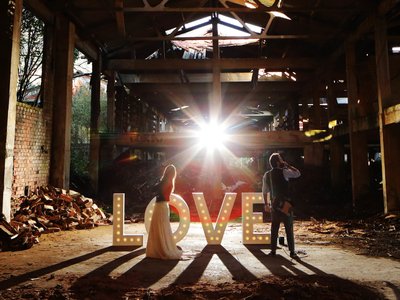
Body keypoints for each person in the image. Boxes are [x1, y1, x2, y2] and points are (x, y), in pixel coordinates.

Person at [262, 153, 301, 258]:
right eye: (280, 159)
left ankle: (273, 251)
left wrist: (266, 204)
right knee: (289, 227)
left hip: (274, 204)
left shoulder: (267, 175)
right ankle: (292, 252)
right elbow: (297, 173)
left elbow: (264, 191)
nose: (282, 160)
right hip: (285, 204)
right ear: (278, 162)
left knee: (274, 228)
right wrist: (287, 165)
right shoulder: (285, 172)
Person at [146, 164, 183, 260]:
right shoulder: (170, 181)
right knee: (162, 227)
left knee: (158, 227)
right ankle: (162, 247)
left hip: (160, 205)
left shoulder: (164, 181)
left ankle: (159, 249)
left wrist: (158, 182)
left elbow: (154, 189)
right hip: (164, 205)